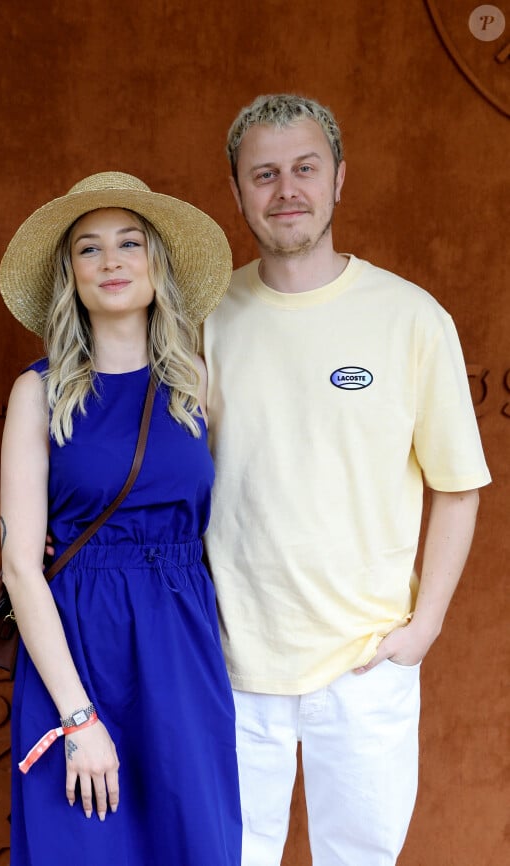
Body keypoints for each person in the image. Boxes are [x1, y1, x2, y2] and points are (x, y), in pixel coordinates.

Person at [202, 94, 491, 866]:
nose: (285, 190)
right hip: (232, 664)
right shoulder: (205, 319)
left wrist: (422, 628)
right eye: (264, 174)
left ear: (339, 180)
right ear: (235, 192)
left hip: (365, 664)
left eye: (305, 168)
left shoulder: (410, 317)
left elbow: (458, 487)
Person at [0, 172, 242, 866]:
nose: (111, 261)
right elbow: (20, 565)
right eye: (89, 249)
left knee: (191, 841)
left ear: (156, 265)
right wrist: (78, 717)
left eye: (129, 243)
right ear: (70, 275)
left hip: (182, 645)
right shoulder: (36, 393)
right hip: (75, 644)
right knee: (81, 843)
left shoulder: (197, 383)